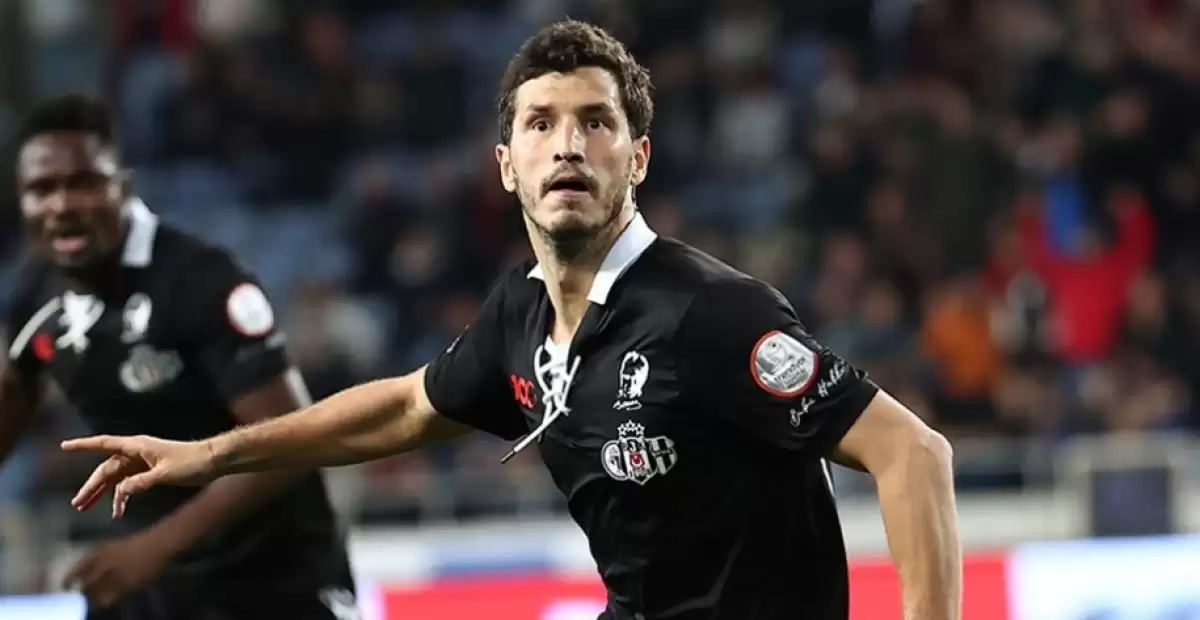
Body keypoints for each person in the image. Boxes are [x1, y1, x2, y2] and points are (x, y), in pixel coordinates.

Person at [64, 21, 962, 620]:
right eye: (541, 123)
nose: (568, 144)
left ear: (638, 158)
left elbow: (914, 453)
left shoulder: (710, 312)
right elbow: (404, 409)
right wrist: (214, 452)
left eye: (596, 122)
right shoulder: (519, 315)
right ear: (506, 164)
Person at [3, 95, 358, 619]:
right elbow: (13, 394)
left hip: (274, 580)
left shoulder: (199, 281)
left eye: (83, 183)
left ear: (123, 186)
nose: (62, 205)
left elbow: (290, 441)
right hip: (156, 580)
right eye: (42, 189)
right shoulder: (36, 292)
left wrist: (155, 548)